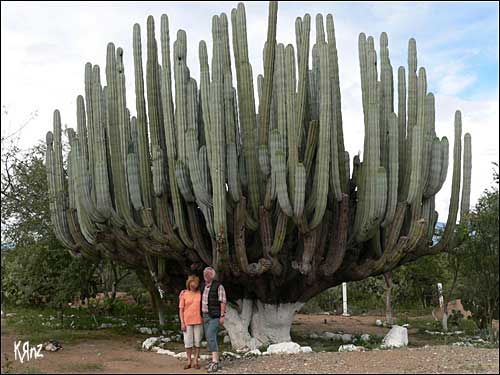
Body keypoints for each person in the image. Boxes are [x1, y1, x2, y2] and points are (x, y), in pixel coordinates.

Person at [200, 267, 226, 373]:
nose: (207, 276)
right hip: (205, 315)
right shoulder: (203, 286)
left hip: (214, 316)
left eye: (209, 274)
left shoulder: (218, 286)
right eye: (205, 274)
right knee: (209, 337)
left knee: (210, 335)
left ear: (213, 275)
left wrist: (222, 315)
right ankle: (214, 360)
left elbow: (223, 301)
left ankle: (215, 362)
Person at [179, 275, 203, 370]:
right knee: (188, 343)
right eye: (191, 283)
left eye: (195, 283)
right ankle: (189, 361)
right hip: (187, 321)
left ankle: (196, 361)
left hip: (198, 321)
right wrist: (182, 322)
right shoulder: (184, 294)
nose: (193, 285)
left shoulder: (200, 293)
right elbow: (181, 309)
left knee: (197, 342)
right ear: (188, 283)